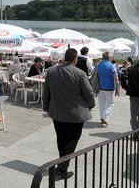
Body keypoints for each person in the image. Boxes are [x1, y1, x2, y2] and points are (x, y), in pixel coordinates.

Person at [42, 48, 95, 181]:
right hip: (75, 115)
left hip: (57, 112)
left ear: (65, 57)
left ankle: (62, 166)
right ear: (75, 59)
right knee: (72, 140)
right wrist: (91, 104)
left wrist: (46, 107)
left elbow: (45, 92)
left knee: (61, 139)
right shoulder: (80, 73)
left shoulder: (51, 71)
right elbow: (89, 94)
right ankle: (62, 169)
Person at [96, 51, 119, 126]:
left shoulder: (98, 65)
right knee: (111, 103)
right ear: (109, 58)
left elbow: (93, 73)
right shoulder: (112, 66)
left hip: (100, 87)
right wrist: (118, 88)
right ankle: (105, 117)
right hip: (110, 87)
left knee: (101, 103)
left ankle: (102, 117)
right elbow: (116, 79)